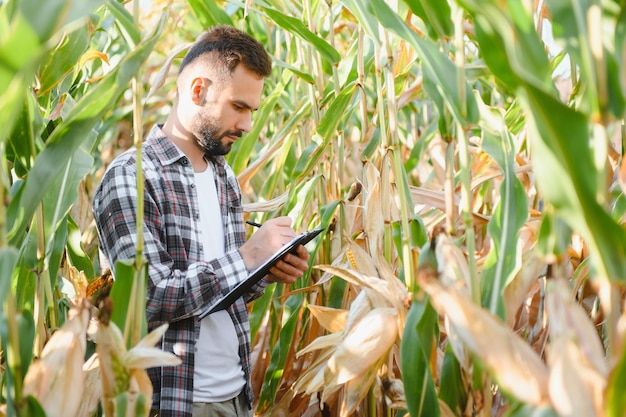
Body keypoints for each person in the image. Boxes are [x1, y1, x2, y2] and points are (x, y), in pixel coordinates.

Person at [92, 25, 310, 417]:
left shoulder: (223, 176)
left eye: (250, 112)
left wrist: (264, 270)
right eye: (238, 107)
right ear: (198, 91)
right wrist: (245, 258)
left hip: (237, 393)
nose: (246, 125)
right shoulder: (132, 178)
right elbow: (147, 297)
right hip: (176, 402)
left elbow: (218, 290)